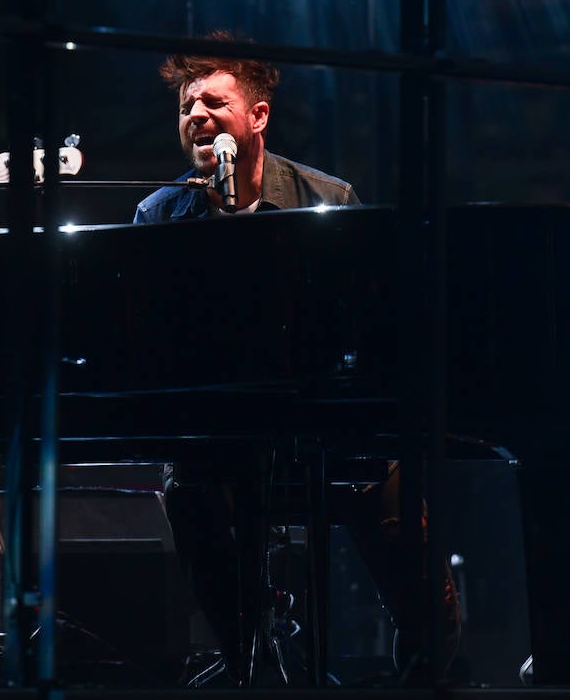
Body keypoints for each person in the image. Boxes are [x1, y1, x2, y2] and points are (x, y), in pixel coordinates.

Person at [133, 34, 459, 686]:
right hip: (220, 434)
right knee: (187, 482)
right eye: (185, 105)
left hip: (332, 429)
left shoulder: (327, 200)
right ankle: (252, 658)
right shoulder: (159, 214)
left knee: (409, 526)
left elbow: (379, 329)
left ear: (257, 116)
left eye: (213, 101)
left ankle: (429, 660)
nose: (195, 114)